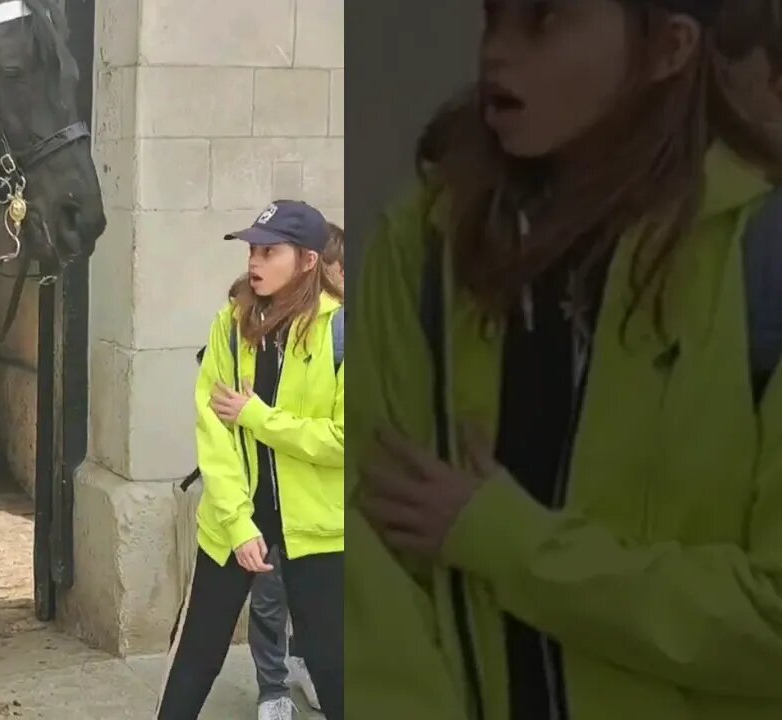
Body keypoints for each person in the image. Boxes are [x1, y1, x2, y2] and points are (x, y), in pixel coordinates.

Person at [347, 1, 782, 719]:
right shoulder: (424, 247)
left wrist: (510, 543)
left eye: (544, 20)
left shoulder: (759, 262)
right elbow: (372, 564)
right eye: (494, 18)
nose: (497, 52)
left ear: (668, 49)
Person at [156, 200, 344, 720]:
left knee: (332, 666)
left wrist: (258, 418)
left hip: (319, 527)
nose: (254, 262)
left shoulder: (340, 333)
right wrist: (239, 523)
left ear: (307, 261)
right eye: (252, 251)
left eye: (269, 251)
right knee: (196, 657)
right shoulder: (230, 323)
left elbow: (346, 440)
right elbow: (213, 427)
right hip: (232, 520)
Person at [244, 220, 345, 720]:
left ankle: (308, 670)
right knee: (268, 598)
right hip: (272, 505)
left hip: (327, 515)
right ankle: (272, 689)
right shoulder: (253, 329)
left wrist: (261, 419)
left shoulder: (343, 333)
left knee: (324, 618)